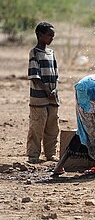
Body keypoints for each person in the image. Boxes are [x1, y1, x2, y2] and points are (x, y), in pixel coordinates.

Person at [27, 22, 59, 164]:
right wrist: (46, 90)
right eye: (49, 35)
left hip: (52, 97)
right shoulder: (34, 53)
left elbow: (55, 75)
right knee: (37, 126)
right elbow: (34, 76)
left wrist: (54, 90)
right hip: (39, 98)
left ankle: (50, 154)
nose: (51, 38)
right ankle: (33, 155)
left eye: (53, 36)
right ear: (40, 35)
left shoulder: (51, 53)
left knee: (52, 127)